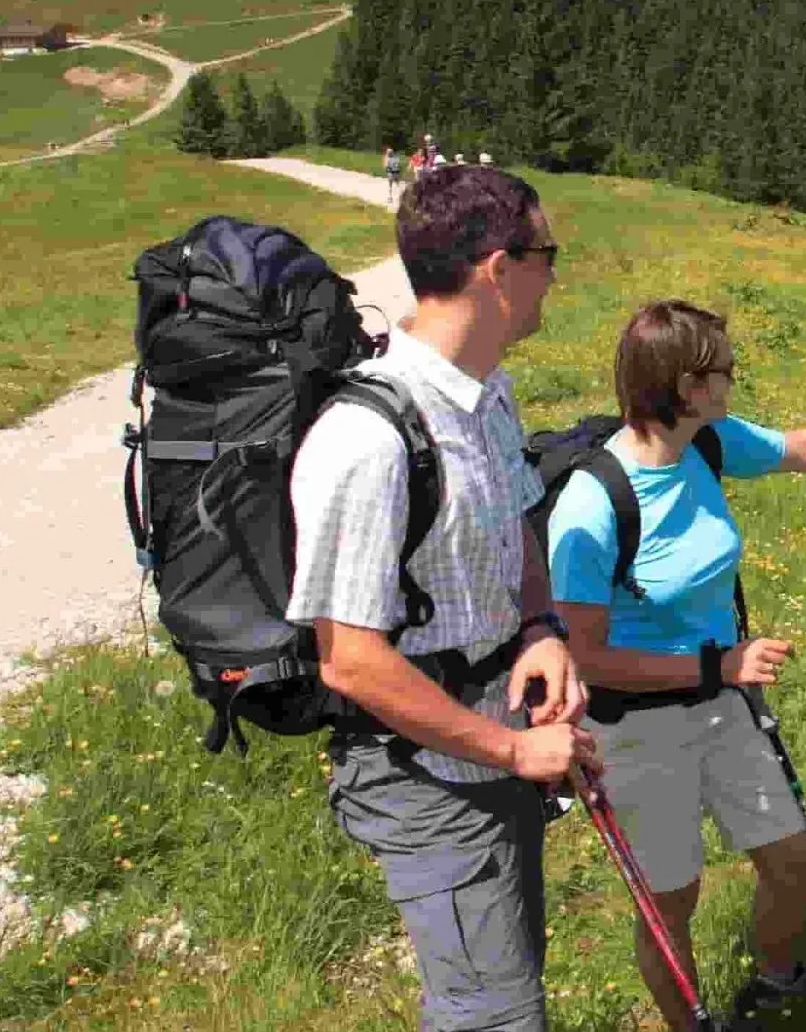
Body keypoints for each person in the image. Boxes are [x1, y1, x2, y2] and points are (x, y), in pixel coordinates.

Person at [548, 299, 806, 1030]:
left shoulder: (707, 445)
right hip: (637, 730)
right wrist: (722, 664)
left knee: (793, 861)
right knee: (670, 904)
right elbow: (589, 659)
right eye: (725, 370)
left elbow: (805, 446)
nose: (734, 380)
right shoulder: (592, 507)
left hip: (725, 702)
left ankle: (775, 984)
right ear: (687, 385)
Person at [289, 164, 596, 1032]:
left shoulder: (489, 392)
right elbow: (348, 658)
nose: (554, 275)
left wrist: (540, 628)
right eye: (548, 253)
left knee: (509, 984)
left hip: (498, 747)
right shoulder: (365, 438)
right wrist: (507, 750)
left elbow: (519, 516)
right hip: (425, 775)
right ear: (500, 268)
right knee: (492, 1015)